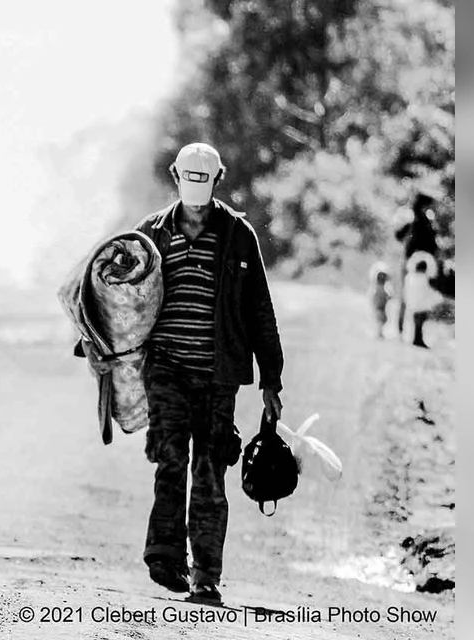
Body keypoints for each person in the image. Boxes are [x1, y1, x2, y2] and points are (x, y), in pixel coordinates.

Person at [133, 142, 284, 605]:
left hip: (219, 375)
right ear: (175, 177)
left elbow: (259, 307)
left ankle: (205, 576)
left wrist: (271, 379)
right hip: (166, 368)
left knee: (210, 470)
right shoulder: (150, 235)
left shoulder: (238, 236)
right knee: (171, 457)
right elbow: (122, 296)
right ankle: (164, 555)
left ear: (218, 180)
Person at [394, 193, 440, 339]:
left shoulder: (425, 222)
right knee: (410, 297)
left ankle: (412, 333)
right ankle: (404, 331)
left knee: (416, 298)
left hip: (421, 267)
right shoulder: (418, 222)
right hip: (412, 266)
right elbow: (399, 235)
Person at [368, 261, 394, 339]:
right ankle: (379, 333)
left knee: (383, 320)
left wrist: (388, 297)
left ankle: (379, 332)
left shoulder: (383, 287)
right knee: (380, 320)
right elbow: (374, 296)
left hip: (382, 306)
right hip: (379, 306)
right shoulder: (376, 287)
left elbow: (386, 295)